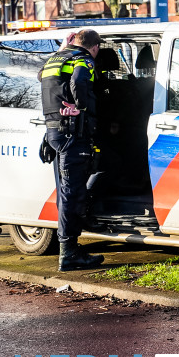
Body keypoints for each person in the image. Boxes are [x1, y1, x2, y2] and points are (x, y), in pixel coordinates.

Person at [39, 28, 104, 271]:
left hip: (55, 130)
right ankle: (69, 253)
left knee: (68, 189)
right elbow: (77, 81)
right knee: (71, 192)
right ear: (94, 47)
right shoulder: (84, 59)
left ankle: (72, 245)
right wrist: (81, 107)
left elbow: (42, 78)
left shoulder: (55, 59)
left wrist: (60, 50)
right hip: (72, 132)